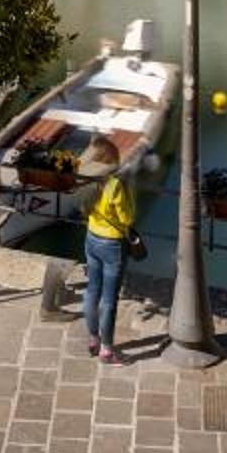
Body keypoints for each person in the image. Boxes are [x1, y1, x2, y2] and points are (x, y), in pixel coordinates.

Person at [78, 137, 135, 364]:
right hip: (112, 244)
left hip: (91, 238)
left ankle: (94, 339)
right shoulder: (115, 184)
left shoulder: (86, 181)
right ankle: (107, 350)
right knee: (109, 299)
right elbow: (127, 218)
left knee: (92, 290)